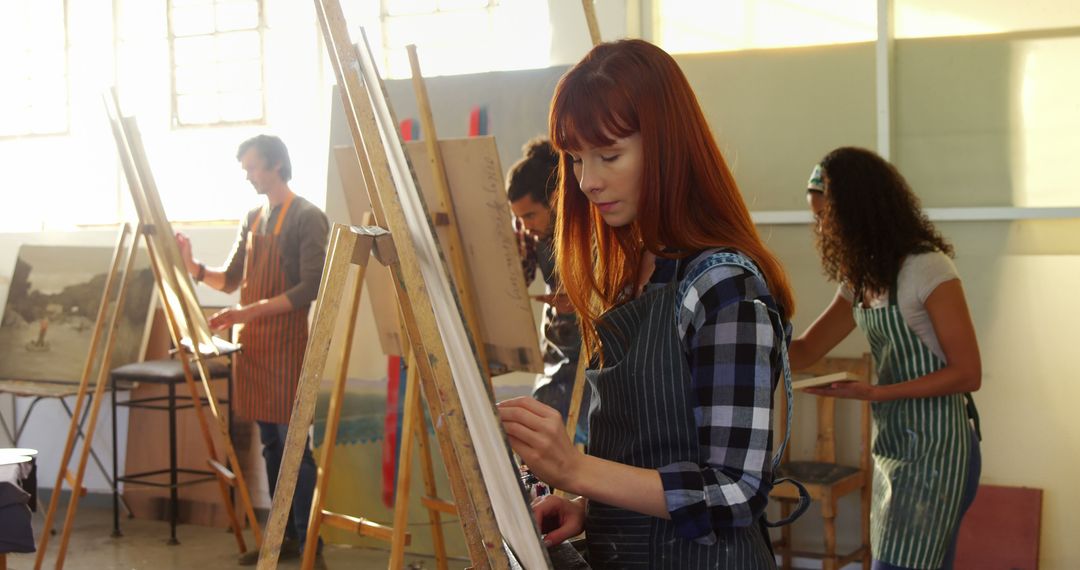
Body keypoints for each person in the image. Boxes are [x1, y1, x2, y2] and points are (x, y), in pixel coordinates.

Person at [498, 39, 801, 568]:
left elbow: (737, 490)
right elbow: (649, 458)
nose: (588, 181)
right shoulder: (633, 274)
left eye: (609, 155)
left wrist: (577, 470)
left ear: (667, 145)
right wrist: (587, 507)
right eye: (575, 160)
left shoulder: (722, 285)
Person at [789, 147, 982, 570]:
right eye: (815, 216)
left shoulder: (927, 269)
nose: (820, 227)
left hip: (940, 450)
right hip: (895, 447)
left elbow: (968, 374)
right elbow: (804, 351)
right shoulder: (859, 279)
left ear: (860, 211)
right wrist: (747, 338)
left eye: (826, 216)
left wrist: (876, 392)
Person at [175, 135, 330, 567]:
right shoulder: (253, 217)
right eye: (245, 167)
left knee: (295, 449)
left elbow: (310, 288)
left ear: (278, 164)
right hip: (257, 351)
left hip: (287, 348)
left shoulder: (307, 217)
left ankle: (309, 541)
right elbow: (230, 281)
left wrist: (249, 311)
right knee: (271, 448)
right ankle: (282, 539)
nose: (248, 175)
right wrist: (193, 267)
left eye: (253, 166)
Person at [507, 136, 589, 443]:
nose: (525, 225)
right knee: (541, 422)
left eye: (530, 215)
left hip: (590, 350)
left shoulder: (586, 226)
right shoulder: (529, 232)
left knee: (589, 425)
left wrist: (582, 303)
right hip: (557, 345)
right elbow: (517, 279)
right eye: (518, 217)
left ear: (554, 199)